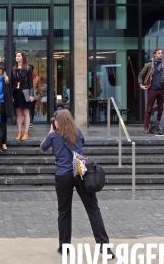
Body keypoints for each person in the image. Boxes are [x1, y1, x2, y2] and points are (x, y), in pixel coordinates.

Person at [39, 109, 111, 256]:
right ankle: (104, 246)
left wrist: (51, 132)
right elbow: (80, 146)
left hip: (62, 175)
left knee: (64, 211)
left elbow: (42, 147)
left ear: (58, 121)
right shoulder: (78, 133)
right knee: (93, 209)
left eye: (55, 120)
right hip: (80, 173)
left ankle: (64, 247)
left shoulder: (53, 136)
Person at [138, 48, 164, 134]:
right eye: (159, 53)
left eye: (161, 53)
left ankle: (158, 127)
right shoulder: (149, 65)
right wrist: (141, 85)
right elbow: (140, 75)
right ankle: (146, 127)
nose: (160, 54)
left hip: (161, 90)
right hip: (152, 89)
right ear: (155, 54)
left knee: (161, 109)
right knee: (149, 109)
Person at [12, 50, 35, 141]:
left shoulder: (28, 68)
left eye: (18, 56)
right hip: (16, 92)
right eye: (16, 56)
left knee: (26, 113)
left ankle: (26, 132)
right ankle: (19, 132)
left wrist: (31, 94)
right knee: (18, 113)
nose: (17, 57)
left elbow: (30, 83)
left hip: (25, 92)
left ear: (23, 57)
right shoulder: (14, 69)